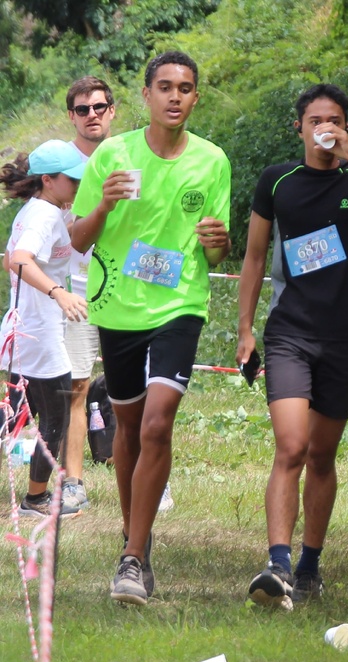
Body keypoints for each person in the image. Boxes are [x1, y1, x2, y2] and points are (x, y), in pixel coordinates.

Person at [237, 83, 348, 607]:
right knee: (291, 445)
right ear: (300, 127)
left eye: (334, 120)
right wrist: (245, 331)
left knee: (322, 455)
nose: (325, 128)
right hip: (289, 331)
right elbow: (254, 256)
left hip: (343, 337)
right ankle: (278, 562)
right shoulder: (277, 181)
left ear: (345, 127)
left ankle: (310, 563)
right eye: (315, 120)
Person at [71, 51, 232, 606]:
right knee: (128, 427)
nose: (174, 96)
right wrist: (105, 205)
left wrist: (219, 242)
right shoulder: (114, 154)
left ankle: (132, 559)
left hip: (180, 305)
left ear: (194, 97)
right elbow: (78, 238)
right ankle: (133, 534)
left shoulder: (213, 161)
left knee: (158, 423)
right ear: (145, 96)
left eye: (185, 88)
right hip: (117, 306)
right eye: (164, 86)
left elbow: (217, 250)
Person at [0, 140, 89, 518]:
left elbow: (7, 257)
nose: (78, 186)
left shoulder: (39, 210)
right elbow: (18, 260)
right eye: (73, 180)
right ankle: (36, 500)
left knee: (17, 414)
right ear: (49, 180)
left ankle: (35, 496)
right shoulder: (43, 216)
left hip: (24, 329)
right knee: (56, 417)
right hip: (39, 333)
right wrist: (57, 293)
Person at [61, 76, 116, 510]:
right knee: (77, 384)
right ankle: (73, 482)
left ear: (112, 111)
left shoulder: (133, 156)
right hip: (74, 289)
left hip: (128, 287)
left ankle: (153, 475)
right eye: (83, 109)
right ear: (72, 116)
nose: (92, 115)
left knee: (141, 389)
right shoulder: (58, 165)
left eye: (99, 107)